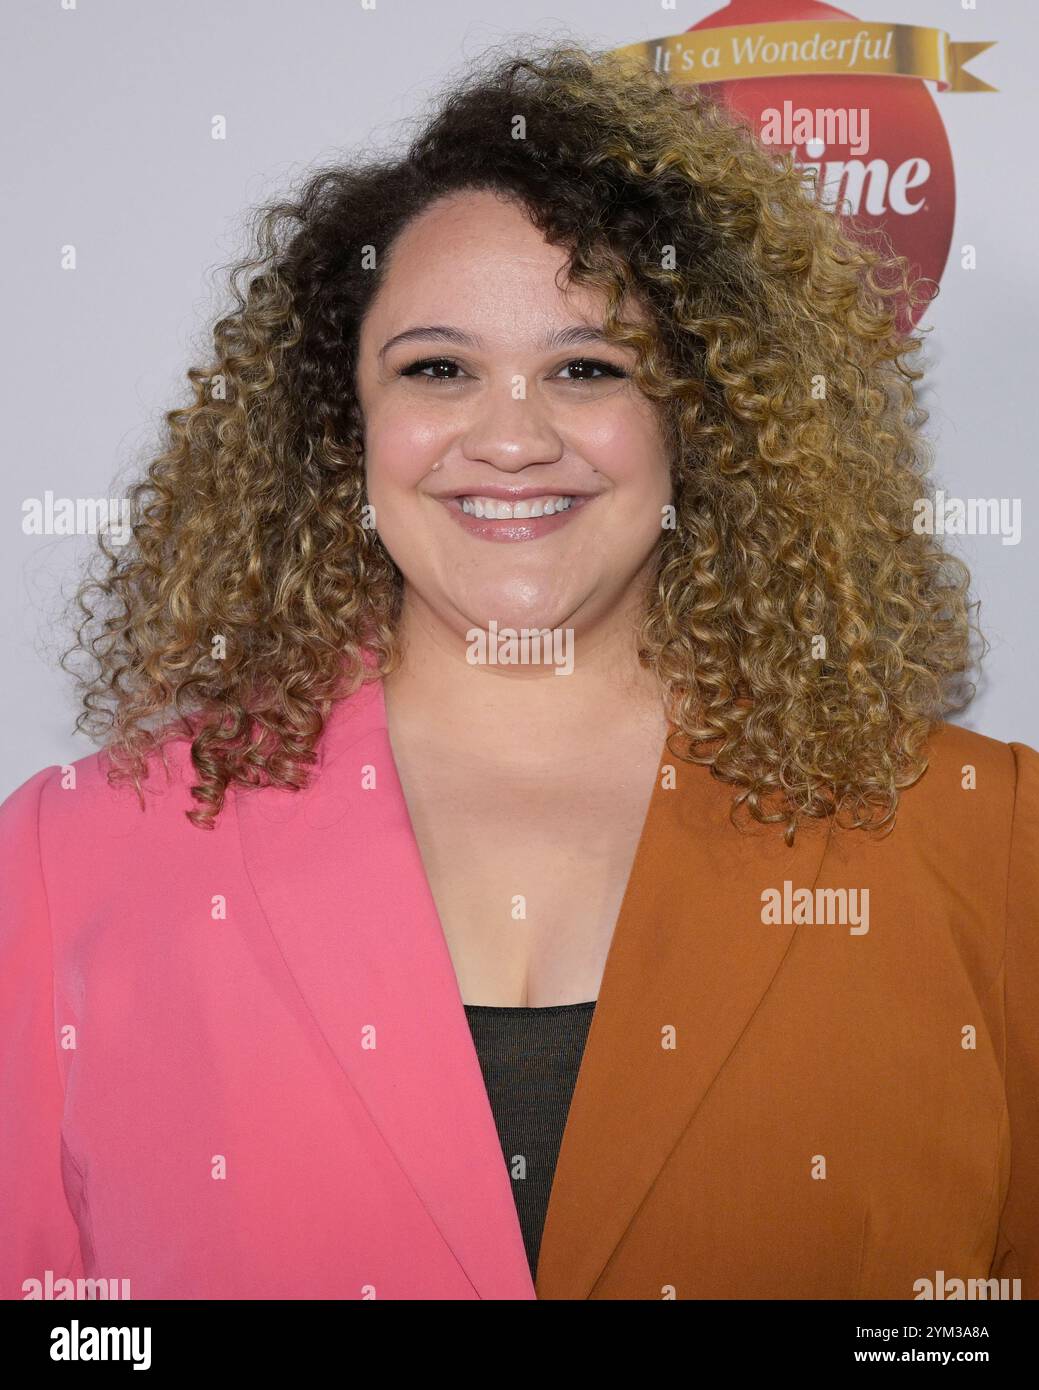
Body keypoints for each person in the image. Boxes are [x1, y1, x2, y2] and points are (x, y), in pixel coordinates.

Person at [1, 42, 1035, 1302]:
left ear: (698, 421)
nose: (509, 437)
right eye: (437, 368)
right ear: (345, 427)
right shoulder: (79, 853)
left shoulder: (986, 841)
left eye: (587, 369)